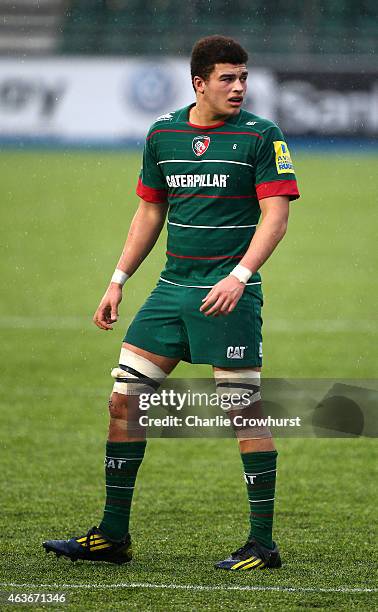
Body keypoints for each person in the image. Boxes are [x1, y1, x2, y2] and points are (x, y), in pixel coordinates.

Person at [43, 35, 299, 570]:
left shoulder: (261, 136)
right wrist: (117, 280)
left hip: (231, 295)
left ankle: (263, 545)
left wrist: (239, 276)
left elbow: (276, 217)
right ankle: (113, 536)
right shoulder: (163, 133)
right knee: (123, 402)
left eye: (244, 77)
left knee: (242, 411)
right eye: (228, 78)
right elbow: (150, 213)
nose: (239, 87)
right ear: (198, 82)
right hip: (170, 293)